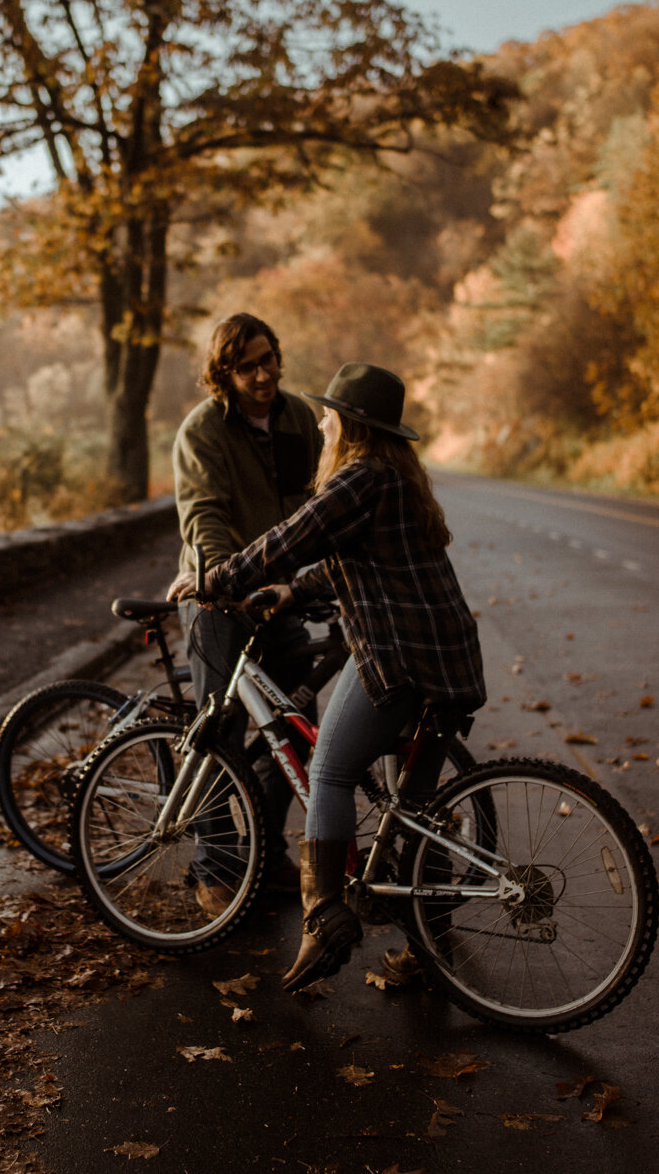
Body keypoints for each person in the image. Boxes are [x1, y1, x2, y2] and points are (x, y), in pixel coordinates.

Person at [204, 362, 487, 991]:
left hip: (402, 659)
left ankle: (322, 919)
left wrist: (217, 579)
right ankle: (427, 948)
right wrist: (292, 593)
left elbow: (289, 538)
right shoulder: (400, 482)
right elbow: (349, 562)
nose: (324, 422)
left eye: (331, 414)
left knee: (329, 772)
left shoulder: (358, 479)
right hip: (451, 662)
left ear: (351, 426)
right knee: (415, 812)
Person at [167, 313, 325, 898]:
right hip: (217, 595)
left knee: (292, 724)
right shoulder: (203, 430)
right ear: (224, 373)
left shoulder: (298, 418)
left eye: (269, 359)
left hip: (275, 595)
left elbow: (318, 500)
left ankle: (266, 851)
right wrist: (221, 577)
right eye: (247, 366)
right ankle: (217, 865)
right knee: (220, 732)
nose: (263, 374)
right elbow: (203, 512)